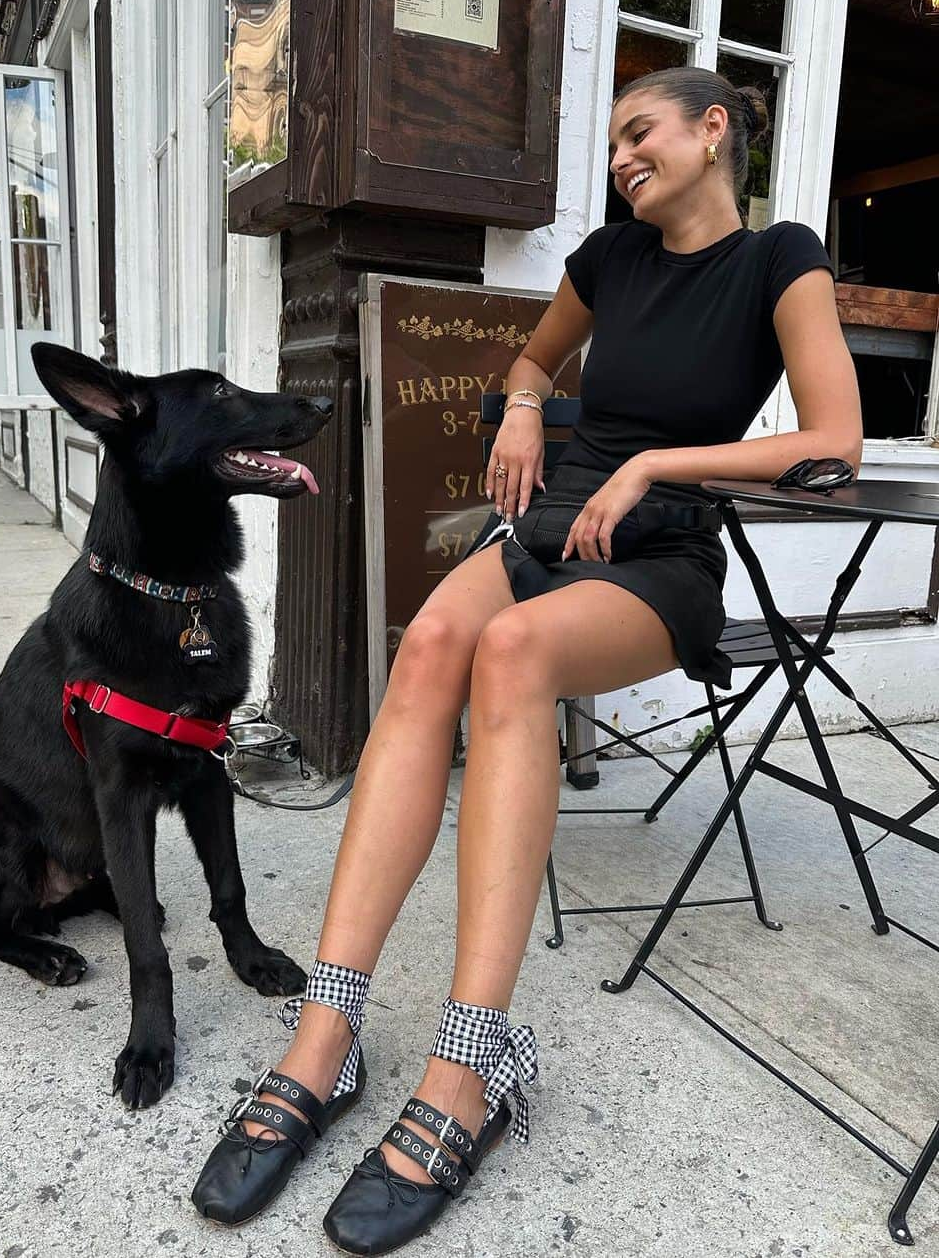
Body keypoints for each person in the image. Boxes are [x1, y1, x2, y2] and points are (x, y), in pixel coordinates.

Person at [192, 67, 864, 1253]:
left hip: (662, 555)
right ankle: (327, 1032)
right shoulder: (609, 259)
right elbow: (532, 365)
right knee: (432, 645)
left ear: (714, 132)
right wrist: (516, 405)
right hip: (554, 523)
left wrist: (657, 467)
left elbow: (835, 440)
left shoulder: (782, 261)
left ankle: (471, 1061)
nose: (622, 156)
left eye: (640, 131)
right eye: (613, 141)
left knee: (507, 654)